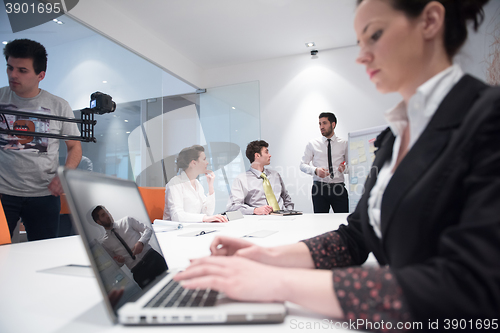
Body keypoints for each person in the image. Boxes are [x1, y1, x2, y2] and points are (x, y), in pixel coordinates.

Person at [174, 0, 500, 327]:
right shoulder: (395, 137)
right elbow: (355, 238)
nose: (361, 55)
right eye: (360, 42)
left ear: (429, 21)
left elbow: (471, 287)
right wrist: (265, 257)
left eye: (375, 35)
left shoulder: (488, 118)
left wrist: (277, 282)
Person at [0, 39, 82, 241]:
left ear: (41, 75)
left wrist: (65, 175)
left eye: (22, 70)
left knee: (44, 252)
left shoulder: (59, 106)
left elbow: (75, 148)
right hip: (2, 193)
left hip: (44, 195)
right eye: (10, 68)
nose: (13, 75)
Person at [92, 205, 167, 289]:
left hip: (153, 259)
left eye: (107, 212)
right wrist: (120, 261)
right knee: (154, 297)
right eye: (103, 215)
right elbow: (116, 264)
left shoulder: (127, 221)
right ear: (98, 222)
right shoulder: (105, 243)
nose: (107, 216)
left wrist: (141, 242)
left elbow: (148, 230)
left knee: (173, 284)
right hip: (139, 272)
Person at [227, 140, 294, 215]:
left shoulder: (275, 175)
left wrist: (289, 212)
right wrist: (254, 210)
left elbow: (286, 198)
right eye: (266, 152)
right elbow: (232, 207)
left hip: (284, 219)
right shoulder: (241, 179)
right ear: (257, 155)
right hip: (260, 221)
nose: (270, 155)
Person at [163, 145, 227, 222]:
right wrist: (204, 218)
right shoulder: (175, 183)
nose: (207, 163)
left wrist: (211, 187)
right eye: (204, 159)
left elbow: (208, 212)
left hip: (193, 228)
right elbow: (177, 216)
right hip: (175, 230)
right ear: (193, 163)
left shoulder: (197, 184)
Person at [300, 112, 349, 213]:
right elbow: (302, 165)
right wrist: (315, 170)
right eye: (320, 124)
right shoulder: (312, 144)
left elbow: (352, 166)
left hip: (338, 187)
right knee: (320, 222)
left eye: (324, 123)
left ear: (333, 124)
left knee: (342, 220)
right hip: (319, 189)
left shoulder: (344, 144)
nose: (321, 126)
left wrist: (345, 169)